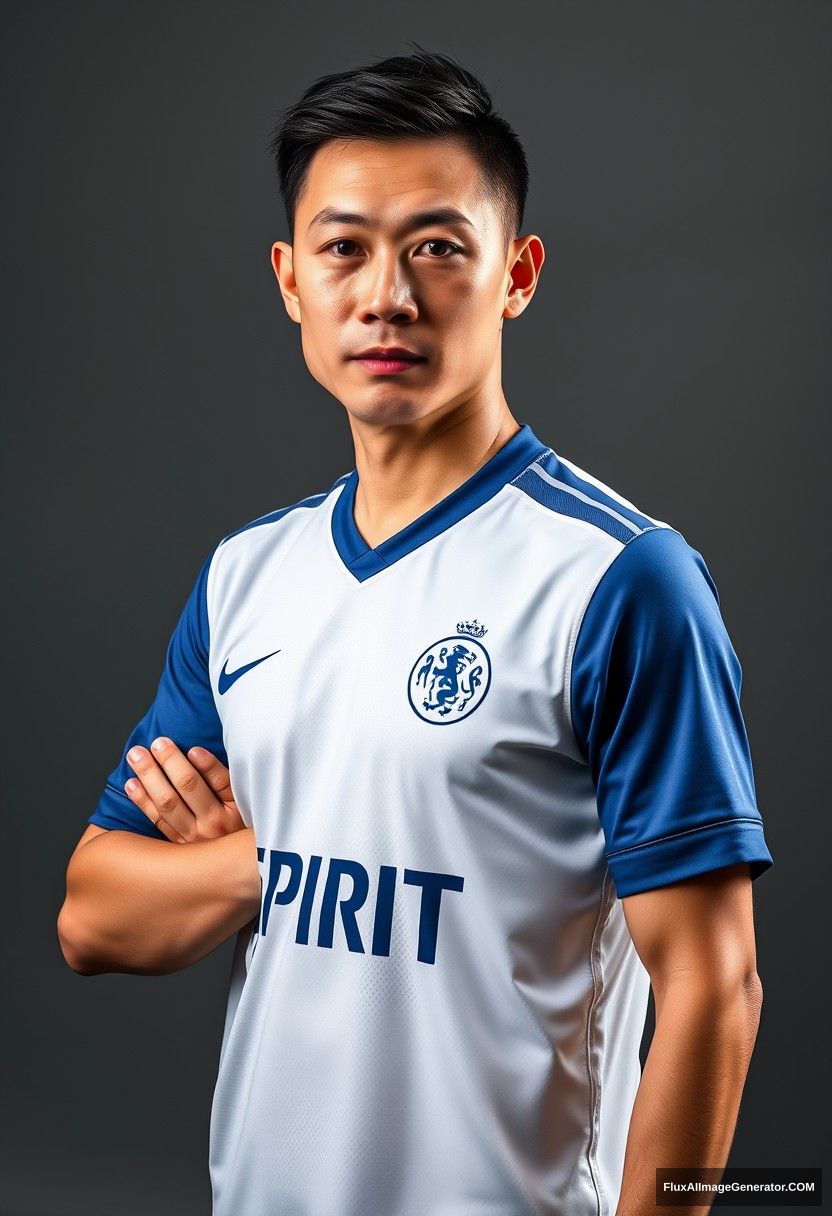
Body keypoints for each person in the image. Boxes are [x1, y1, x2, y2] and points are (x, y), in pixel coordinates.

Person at [57, 45, 774, 1216]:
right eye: (344, 249)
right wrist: (277, 855)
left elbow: (715, 984)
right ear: (291, 279)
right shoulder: (250, 575)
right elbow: (93, 914)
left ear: (516, 274)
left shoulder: (619, 580)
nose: (386, 292)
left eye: (438, 248)